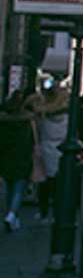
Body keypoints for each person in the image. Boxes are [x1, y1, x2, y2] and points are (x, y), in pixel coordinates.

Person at [27, 80, 70, 219]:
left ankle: (44, 210)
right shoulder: (67, 120)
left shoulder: (42, 118)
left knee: (44, 184)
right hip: (61, 152)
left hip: (45, 150)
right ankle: (57, 211)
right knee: (59, 185)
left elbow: (29, 106)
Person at [0, 91, 37, 231]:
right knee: (19, 188)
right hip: (22, 156)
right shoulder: (27, 120)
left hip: (6, 157)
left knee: (10, 187)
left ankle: (11, 214)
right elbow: (32, 140)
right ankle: (12, 214)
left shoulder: (3, 120)